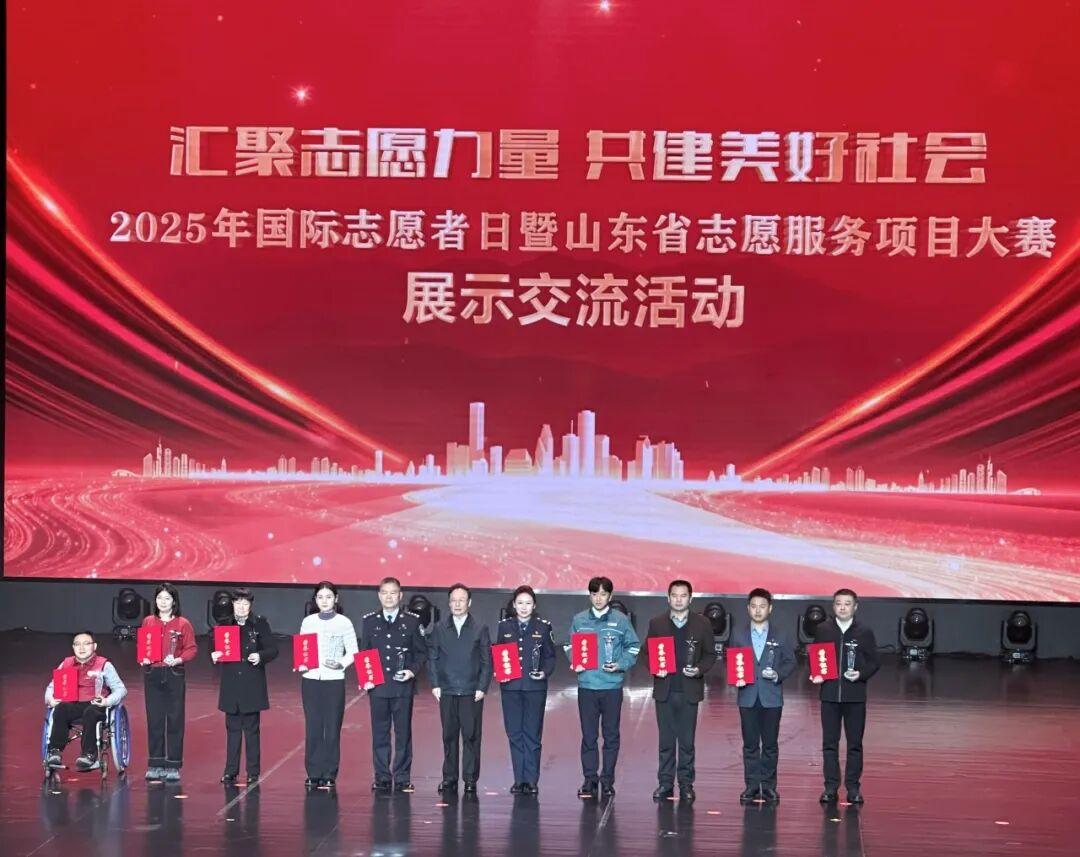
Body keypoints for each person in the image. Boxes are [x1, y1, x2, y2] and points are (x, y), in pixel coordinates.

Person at [565, 576, 641, 799]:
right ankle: (589, 779)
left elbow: (634, 647)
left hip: (611, 687)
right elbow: (569, 644)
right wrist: (575, 660)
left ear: (610, 596)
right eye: (594, 594)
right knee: (589, 736)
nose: (598, 598)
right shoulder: (579, 620)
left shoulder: (621, 620)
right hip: (587, 686)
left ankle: (607, 780)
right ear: (589, 595)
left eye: (603, 594)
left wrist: (620, 664)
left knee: (611, 736)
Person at [645, 579, 717, 803]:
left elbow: (710, 654)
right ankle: (665, 783)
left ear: (690, 598)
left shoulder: (702, 623)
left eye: (683, 595)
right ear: (668, 598)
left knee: (687, 742)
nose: (678, 600)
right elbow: (646, 653)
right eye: (674, 595)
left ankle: (686, 784)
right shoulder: (657, 623)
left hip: (689, 690)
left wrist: (698, 669)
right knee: (666, 742)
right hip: (665, 690)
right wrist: (656, 668)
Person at [811, 588, 880, 805]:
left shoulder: (864, 632)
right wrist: (816, 674)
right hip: (830, 695)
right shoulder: (823, 630)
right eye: (838, 603)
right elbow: (816, 658)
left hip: (855, 697)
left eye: (847, 604)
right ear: (833, 606)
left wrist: (860, 674)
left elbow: (874, 662)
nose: (842, 607)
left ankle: (853, 787)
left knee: (854, 744)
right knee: (829, 744)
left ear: (855, 607)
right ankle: (830, 787)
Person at [359, 576, 428, 793]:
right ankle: (381, 776)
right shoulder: (369, 621)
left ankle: (402, 777)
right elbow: (365, 652)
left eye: (393, 593)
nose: (389, 597)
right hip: (378, 686)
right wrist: (366, 678)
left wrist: (412, 671)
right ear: (379, 596)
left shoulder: (412, 621)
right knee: (380, 734)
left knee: (403, 734)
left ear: (400, 596)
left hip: (402, 687)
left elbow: (421, 652)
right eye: (385, 593)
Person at [729, 588, 796, 804]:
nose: (758, 610)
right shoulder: (738, 633)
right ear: (748, 608)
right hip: (747, 696)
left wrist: (778, 675)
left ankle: (768, 786)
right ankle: (751, 786)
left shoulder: (781, 634)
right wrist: (736, 679)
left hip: (771, 697)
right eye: (754, 606)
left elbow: (790, 661)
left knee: (770, 745)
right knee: (750, 744)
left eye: (762, 606)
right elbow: (732, 661)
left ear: (770, 608)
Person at [426, 583, 493, 795]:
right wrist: (435, 683)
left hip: (471, 691)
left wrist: (482, 687)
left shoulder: (480, 628)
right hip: (446, 690)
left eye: (461, 600)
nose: (457, 604)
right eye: (453, 600)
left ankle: (470, 778)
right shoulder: (439, 628)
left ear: (469, 603)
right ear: (449, 603)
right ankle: (449, 777)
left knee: (471, 737)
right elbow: (433, 657)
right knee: (449, 736)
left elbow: (487, 661)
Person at [211, 587, 278, 785]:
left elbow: (273, 649)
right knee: (232, 730)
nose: (241, 607)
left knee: (251, 730)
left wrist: (260, 656)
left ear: (250, 605)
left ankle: (253, 772)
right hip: (231, 684)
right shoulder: (224, 625)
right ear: (232, 604)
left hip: (252, 683)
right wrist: (215, 655)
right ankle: (230, 771)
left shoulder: (259, 624)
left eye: (245, 603)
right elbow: (215, 649)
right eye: (237, 603)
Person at [297, 580, 359, 790]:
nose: (324, 601)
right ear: (315, 600)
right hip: (311, 680)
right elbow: (303, 649)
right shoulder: (308, 622)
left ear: (336, 599)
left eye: (329, 597)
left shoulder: (344, 622)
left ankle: (330, 773)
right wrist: (302, 663)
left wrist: (340, 663)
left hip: (334, 681)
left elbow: (353, 652)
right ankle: (313, 772)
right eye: (320, 597)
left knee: (332, 728)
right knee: (313, 727)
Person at [495, 585, 556, 796]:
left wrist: (544, 672)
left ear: (534, 605)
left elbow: (550, 657)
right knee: (514, 733)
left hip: (534, 688)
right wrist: (499, 671)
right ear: (514, 605)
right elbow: (499, 653)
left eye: (528, 603)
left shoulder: (543, 627)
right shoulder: (504, 627)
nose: (523, 607)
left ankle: (530, 780)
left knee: (532, 734)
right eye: (520, 603)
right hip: (510, 687)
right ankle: (518, 779)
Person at [45, 631, 128, 772]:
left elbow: (121, 689)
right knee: (60, 709)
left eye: (86, 644)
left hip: (96, 704)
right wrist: (50, 699)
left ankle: (89, 755)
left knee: (91, 712)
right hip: (73, 704)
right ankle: (55, 751)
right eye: (77, 644)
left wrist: (107, 701)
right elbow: (51, 687)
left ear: (94, 646)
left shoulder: (104, 665)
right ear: (73, 647)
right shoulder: (66, 664)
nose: (81, 648)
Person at [141, 582, 198, 782]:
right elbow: (144, 645)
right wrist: (143, 658)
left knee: (175, 719)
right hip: (153, 673)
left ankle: (173, 764)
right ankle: (155, 763)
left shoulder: (183, 623)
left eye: (167, 598)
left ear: (174, 602)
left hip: (174, 673)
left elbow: (191, 648)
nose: (163, 602)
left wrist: (179, 659)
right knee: (154, 719)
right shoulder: (148, 621)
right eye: (159, 598)